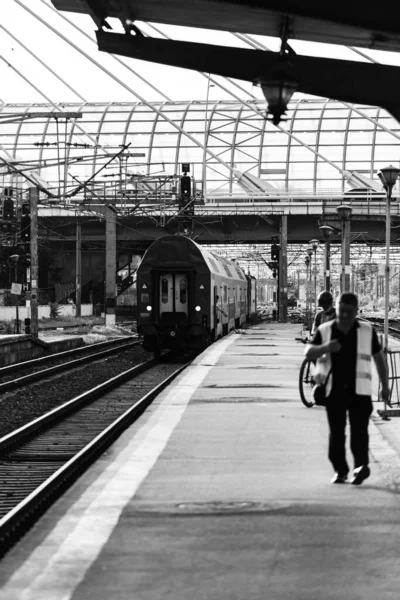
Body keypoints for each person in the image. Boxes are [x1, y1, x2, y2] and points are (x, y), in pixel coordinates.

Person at [305, 292, 389, 485]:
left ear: (356, 311)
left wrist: (385, 386)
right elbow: (308, 352)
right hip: (333, 390)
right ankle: (340, 470)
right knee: (337, 432)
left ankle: (360, 466)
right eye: (342, 311)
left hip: (360, 390)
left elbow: (379, 359)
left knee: (360, 431)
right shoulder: (325, 330)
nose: (344, 316)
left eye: (349, 312)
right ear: (336, 308)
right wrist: (325, 348)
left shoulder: (367, 331)